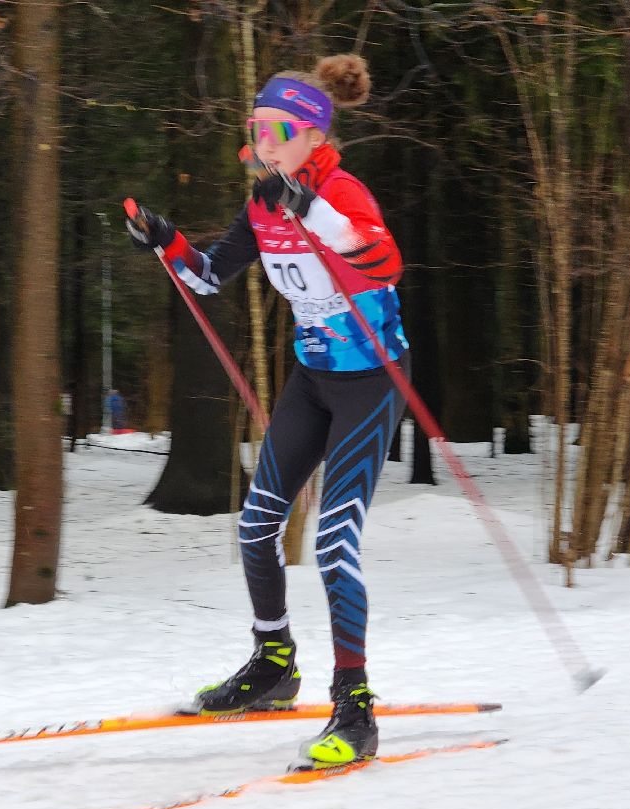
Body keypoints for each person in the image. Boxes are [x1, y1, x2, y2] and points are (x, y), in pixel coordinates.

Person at [126, 55, 408, 769]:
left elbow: (382, 262)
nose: (265, 140)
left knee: (335, 540)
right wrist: (167, 242)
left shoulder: (341, 192)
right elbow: (210, 275)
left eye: (279, 129)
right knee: (256, 524)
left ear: (313, 135)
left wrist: (310, 210)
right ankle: (273, 665)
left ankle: (356, 707)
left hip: (372, 379)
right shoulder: (260, 203)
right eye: (257, 128)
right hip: (314, 379)